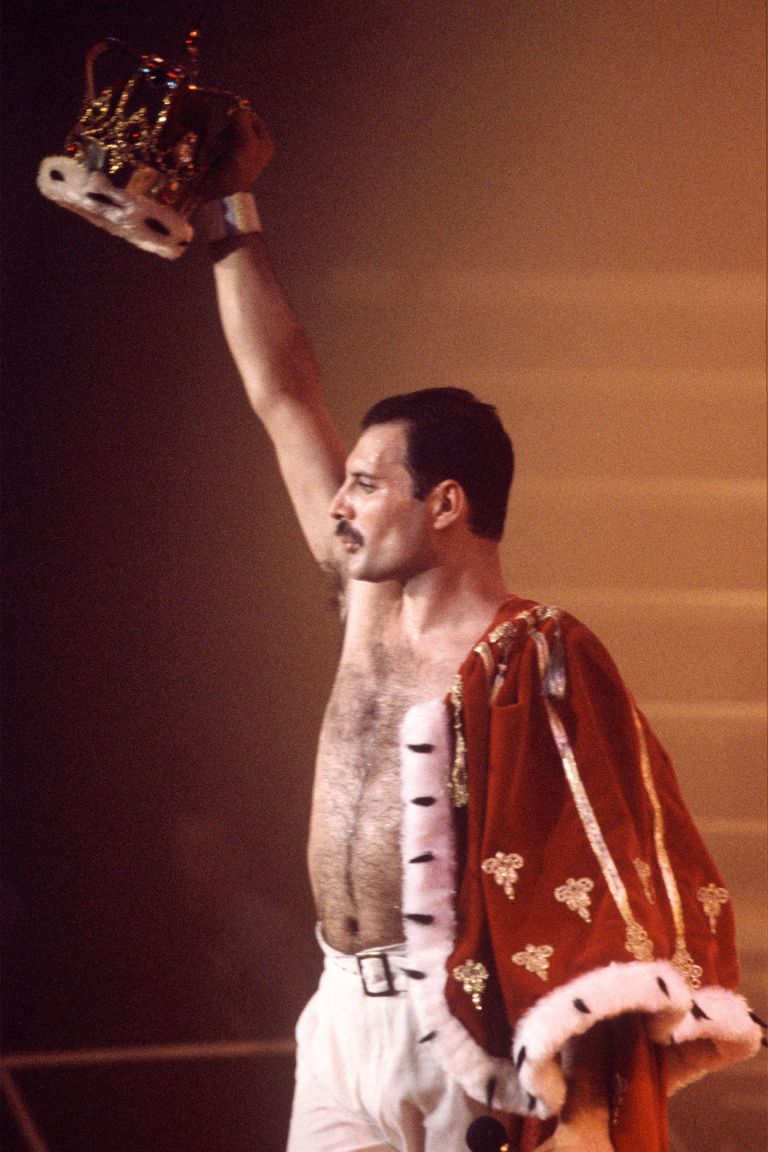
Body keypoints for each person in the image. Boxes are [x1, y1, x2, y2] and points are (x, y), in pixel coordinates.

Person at [198, 111, 763, 1152]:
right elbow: (283, 396)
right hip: (338, 1015)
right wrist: (231, 219)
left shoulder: (539, 653)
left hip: (464, 1025)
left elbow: (599, 878)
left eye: (367, 484)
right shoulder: (362, 601)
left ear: (445, 504)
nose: (340, 505)